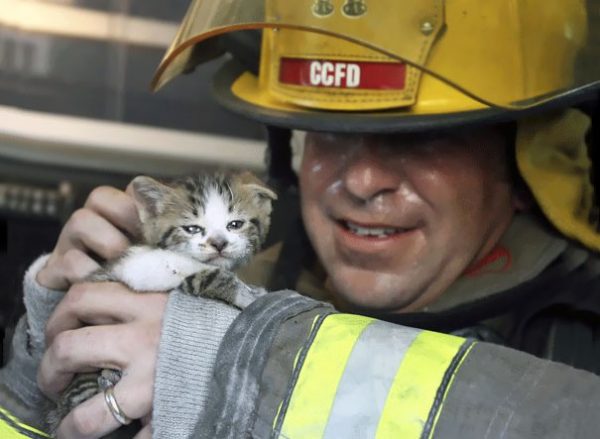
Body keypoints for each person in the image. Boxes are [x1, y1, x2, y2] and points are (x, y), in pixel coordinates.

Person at [2, 0, 600, 437]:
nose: (361, 181)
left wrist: (246, 368)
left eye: (420, 141)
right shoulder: (204, 303)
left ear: (529, 166)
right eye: (330, 135)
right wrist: (48, 376)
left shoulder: (581, 343)